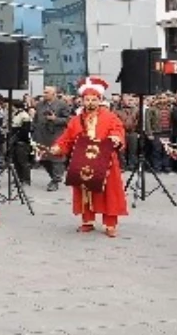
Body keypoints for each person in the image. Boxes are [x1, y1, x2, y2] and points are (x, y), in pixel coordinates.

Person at [46, 76, 128, 238]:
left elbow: (118, 131)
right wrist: (57, 147)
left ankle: (110, 223)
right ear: (82, 100)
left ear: (100, 100)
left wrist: (116, 138)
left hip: (106, 161)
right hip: (82, 161)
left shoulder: (110, 117)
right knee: (84, 190)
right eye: (87, 99)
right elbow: (67, 139)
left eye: (93, 99)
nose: (90, 102)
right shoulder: (75, 120)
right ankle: (87, 221)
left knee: (108, 192)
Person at [34, 85, 71, 190]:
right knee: (42, 159)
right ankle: (54, 177)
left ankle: (56, 180)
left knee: (56, 160)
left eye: (47, 92)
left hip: (56, 136)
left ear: (53, 94)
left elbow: (68, 120)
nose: (44, 94)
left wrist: (55, 119)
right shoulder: (40, 104)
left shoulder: (62, 105)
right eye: (44, 92)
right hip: (41, 135)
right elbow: (36, 118)